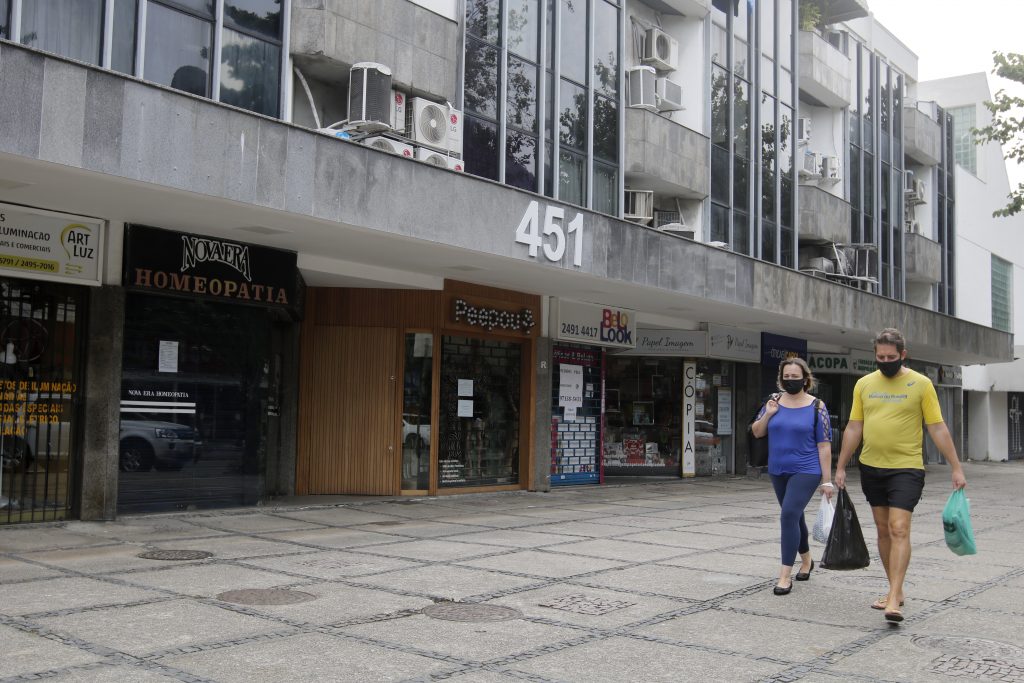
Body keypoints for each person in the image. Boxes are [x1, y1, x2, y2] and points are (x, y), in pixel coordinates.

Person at [835, 328, 967, 623]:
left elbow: (937, 428)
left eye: (890, 357)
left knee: (899, 528)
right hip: (871, 466)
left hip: (906, 468)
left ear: (903, 355)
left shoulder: (920, 384)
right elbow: (855, 427)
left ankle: (893, 599)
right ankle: (896, 587)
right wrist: (841, 465)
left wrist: (956, 466)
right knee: (883, 531)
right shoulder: (864, 384)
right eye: (880, 357)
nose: (885, 361)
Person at [751, 358, 834, 595]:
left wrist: (826, 480)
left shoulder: (817, 406)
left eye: (794, 377)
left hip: (807, 469)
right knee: (795, 517)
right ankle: (807, 560)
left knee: (787, 515)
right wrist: (768, 414)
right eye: (786, 377)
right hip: (778, 469)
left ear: (805, 379)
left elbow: (824, 445)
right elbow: (757, 432)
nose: (790, 381)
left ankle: (784, 575)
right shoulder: (774, 401)